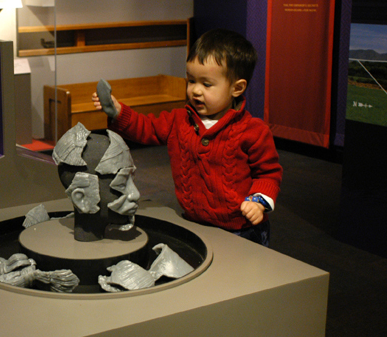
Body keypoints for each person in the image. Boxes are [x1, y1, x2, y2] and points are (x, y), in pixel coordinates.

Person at [92, 28, 282, 246]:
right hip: (194, 223)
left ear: (237, 88)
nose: (196, 91)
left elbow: (268, 173)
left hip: (242, 230)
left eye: (206, 84)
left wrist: (258, 201)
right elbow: (147, 128)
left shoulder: (253, 130)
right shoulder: (179, 120)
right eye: (191, 81)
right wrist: (119, 112)